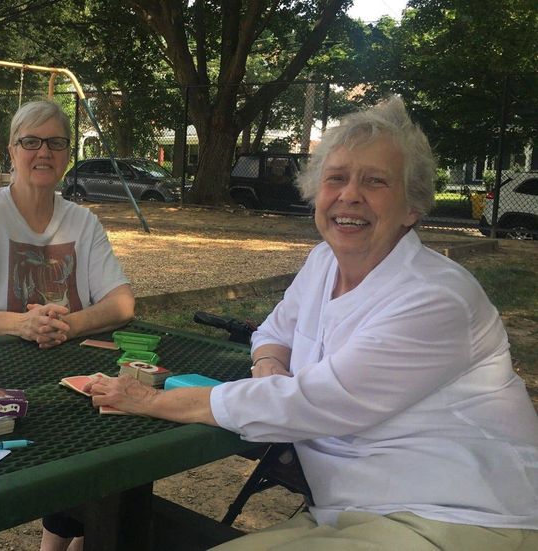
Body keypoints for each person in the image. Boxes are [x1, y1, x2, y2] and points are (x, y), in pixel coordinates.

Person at [86, 97, 538, 550]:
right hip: (349, 513)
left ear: (412, 207)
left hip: (462, 520)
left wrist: (150, 399)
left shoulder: (434, 298)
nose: (350, 195)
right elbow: (273, 333)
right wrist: (268, 371)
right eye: (336, 178)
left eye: (375, 182)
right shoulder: (325, 261)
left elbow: (308, 402)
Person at [0, 99, 135, 551]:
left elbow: (122, 304)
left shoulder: (83, 221)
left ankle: (69, 541)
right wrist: (22, 324)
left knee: (100, 442)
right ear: (11, 150)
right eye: (31, 142)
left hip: (48, 373)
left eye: (56, 143)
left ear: (66, 154)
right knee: (72, 444)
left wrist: (65, 325)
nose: (44, 152)